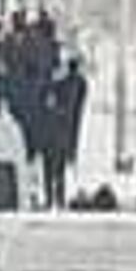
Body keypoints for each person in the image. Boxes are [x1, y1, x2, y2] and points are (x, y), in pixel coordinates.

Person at [49, 54, 88, 204]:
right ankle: (58, 196)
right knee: (59, 167)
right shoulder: (77, 84)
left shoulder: (64, 84)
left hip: (61, 129)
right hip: (65, 130)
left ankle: (56, 196)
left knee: (57, 167)